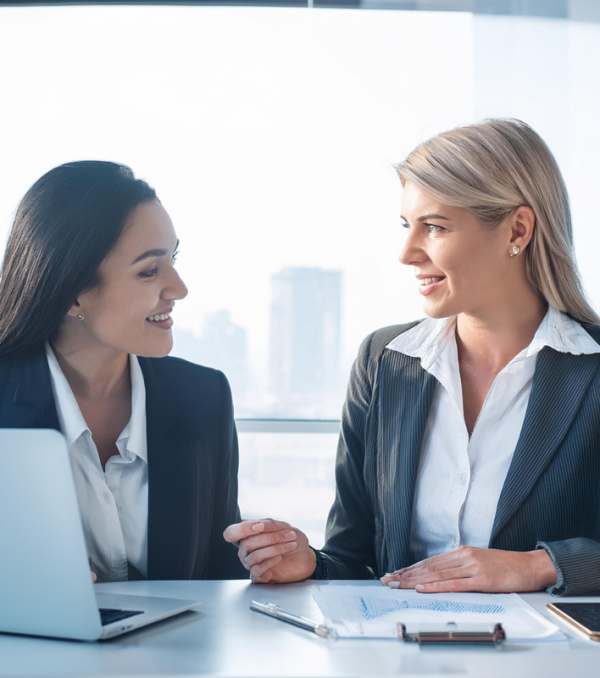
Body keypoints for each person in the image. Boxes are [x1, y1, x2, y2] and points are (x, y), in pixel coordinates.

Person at [224, 118, 600, 596]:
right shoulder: (383, 362)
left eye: (435, 227)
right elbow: (355, 559)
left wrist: (537, 567)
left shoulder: (591, 370)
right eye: (407, 226)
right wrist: (308, 563)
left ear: (517, 230)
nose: (406, 253)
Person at [0, 161, 246, 582]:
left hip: (172, 650)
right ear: (72, 294)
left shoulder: (204, 397)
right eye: (149, 271)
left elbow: (221, 576)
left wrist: (268, 559)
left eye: (173, 259)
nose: (179, 289)